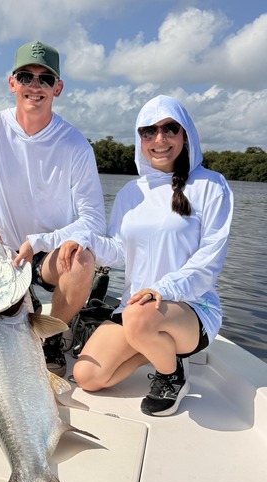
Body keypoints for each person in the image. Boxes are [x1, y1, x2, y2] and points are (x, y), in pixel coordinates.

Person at [58, 95, 233, 416]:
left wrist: (161, 290)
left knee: (139, 316)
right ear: (140, 139)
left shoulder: (212, 185)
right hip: (137, 310)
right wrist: (85, 243)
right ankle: (160, 350)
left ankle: (171, 375)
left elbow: (208, 261)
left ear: (185, 134)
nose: (159, 139)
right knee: (87, 376)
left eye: (169, 129)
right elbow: (118, 250)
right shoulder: (131, 193)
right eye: (149, 131)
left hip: (192, 309)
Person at [0, 40, 106, 375]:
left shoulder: (76, 145)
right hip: (3, 256)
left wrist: (38, 242)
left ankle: (51, 336)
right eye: (26, 77)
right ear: (12, 83)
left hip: (49, 255)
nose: (35, 86)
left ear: (58, 88)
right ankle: (28, 307)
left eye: (45, 79)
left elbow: (94, 219)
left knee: (83, 260)